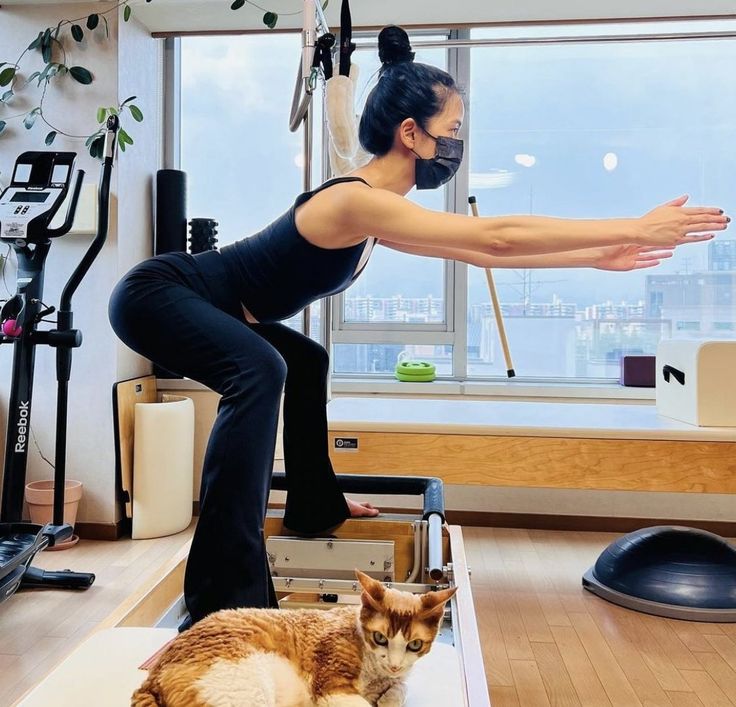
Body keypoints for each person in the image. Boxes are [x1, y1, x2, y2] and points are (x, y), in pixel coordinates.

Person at [108, 25, 729, 625]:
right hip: (158, 293)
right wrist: (631, 228)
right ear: (412, 133)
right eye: (452, 130)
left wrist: (598, 257)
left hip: (204, 302)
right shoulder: (354, 199)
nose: (457, 144)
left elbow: (484, 252)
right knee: (261, 367)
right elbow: (498, 235)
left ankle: (313, 501)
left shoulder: (376, 209)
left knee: (304, 361)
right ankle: (223, 592)